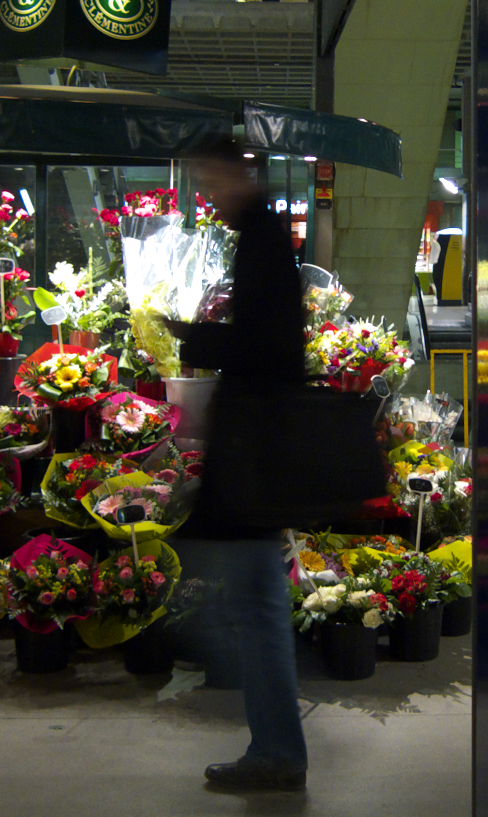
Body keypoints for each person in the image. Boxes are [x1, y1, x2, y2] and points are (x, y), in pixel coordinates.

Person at [166, 137, 310, 793]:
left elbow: (270, 343)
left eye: (210, 178)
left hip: (256, 447)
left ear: (235, 174)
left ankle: (278, 749)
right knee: (258, 602)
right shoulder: (261, 234)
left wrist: (195, 336)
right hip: (259, 443)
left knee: (251, 605)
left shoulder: (263, 237)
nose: (207, 192)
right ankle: (275, 744)